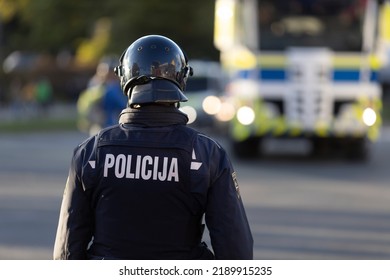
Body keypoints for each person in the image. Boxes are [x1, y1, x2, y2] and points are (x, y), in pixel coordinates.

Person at [53, 35, 253, 260]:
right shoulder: (208, 153)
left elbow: (67, 249)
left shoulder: (90, 152)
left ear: (125, 79)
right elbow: (236, 250)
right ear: (181, 78)